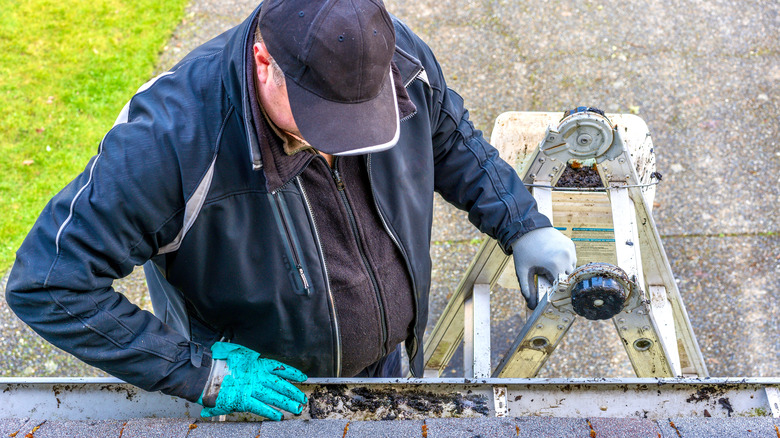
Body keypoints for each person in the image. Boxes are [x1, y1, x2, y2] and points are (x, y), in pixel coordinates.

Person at [6, 0, 576, 421]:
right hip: (257, 396)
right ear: (263, 61)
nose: (339, 146)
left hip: (383, 372)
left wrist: (520, 221)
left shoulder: (387, 55)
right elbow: (49, 283)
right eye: (322, 121)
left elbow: (447, 137)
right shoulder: (169, 143)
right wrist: (199, 372)